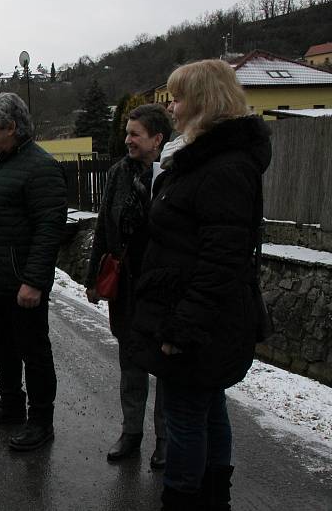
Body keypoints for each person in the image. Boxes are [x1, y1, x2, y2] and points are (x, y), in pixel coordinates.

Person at [129, 60, 271, 510]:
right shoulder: (200, 157)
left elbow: (220, 261)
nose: (171, 106)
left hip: (198, 322)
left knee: (187, 415)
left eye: (178, 97)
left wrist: (182, 329)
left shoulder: (222, 167)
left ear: (205, 103)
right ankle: (214, 500)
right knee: (207, 409)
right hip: (194, 315)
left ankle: (185, 500)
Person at [0, 93, 68, 451]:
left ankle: (41, 420)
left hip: (21, 283)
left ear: (13, 128)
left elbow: (49, 229)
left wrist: (34, 281)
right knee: (0, 343)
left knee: (33, 350)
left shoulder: (41, 168)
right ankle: (10, 404)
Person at [85, 104, 172, 468]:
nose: (127, 140)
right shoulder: (120, 172)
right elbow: (105, 225)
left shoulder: (172, 173)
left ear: (157, 139)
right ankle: (131, 432)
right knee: (131, 361)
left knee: (166, 367)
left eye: (135, 134)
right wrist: (93, 278)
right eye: (127, 133)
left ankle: (166, 439)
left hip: (164, 288)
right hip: (127, 285)